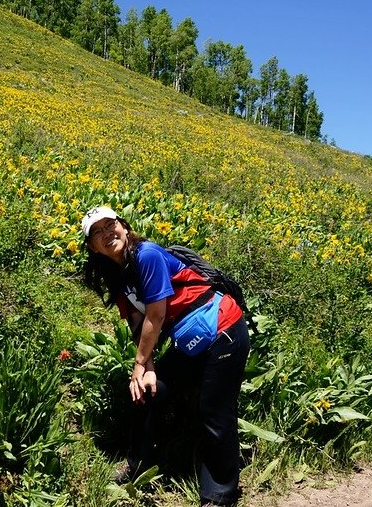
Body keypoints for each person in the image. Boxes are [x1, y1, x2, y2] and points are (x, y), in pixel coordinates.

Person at [81, 206, 250, 507]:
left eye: (110, 225)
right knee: (149, 391)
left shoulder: (147, 255)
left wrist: (138, 364)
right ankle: (139, 465)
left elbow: (156, 316)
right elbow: (136, 322)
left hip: (222, 329)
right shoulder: (118, 273)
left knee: (214, 411)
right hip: (190, 340)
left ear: (124, 226)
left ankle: (219, 496)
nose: (107, 233)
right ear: (92, 247)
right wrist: (148, 367)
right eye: (97, 232)